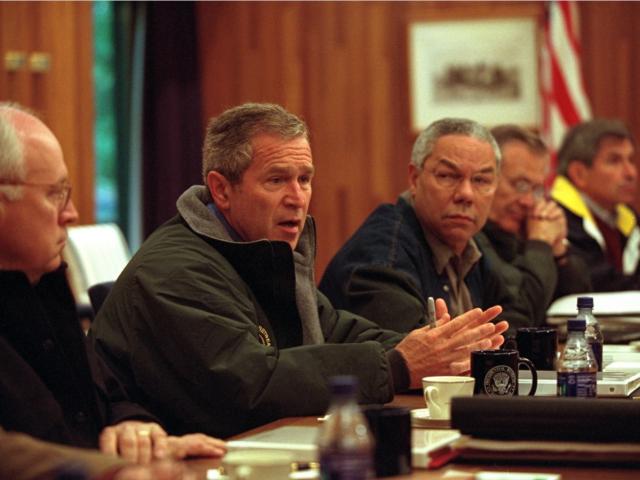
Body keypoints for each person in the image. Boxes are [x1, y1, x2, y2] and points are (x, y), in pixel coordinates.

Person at [91, 103, 508, 438]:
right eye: (276, 181)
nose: (298, 198)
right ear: (221, 190)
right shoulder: (176, 270)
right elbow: (248, 386)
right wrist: (399, 364)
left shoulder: (258, 248)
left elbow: (335, 329)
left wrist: (434, 348)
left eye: (305, 179)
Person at [0, 104, 226, 468]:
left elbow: (112, 399)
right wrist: (112, 471)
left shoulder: (44, 288)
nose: (71, 213)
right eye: (54, 194)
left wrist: (134, 428)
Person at [319, 118, 531, 334]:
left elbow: (515, 315)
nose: (466, 194)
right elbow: (420, 359)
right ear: (414, 179)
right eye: (448, 176)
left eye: (481, 180)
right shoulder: (380, 261)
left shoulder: (469, 242)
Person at [474, 125, 591, 326]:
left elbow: (582, 312)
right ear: (485, 178)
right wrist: (540, 245)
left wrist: (559, 252)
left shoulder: (519, 229)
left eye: (536, 189)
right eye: (520, 185)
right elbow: (521, 318)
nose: (529, 201)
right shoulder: (470, 237)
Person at [550, 119, 640, 291]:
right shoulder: (558, 218)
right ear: (579, 174)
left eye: (630, 159)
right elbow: (601, 283)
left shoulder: (628, 216)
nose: (631, 173)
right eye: (614, 161)